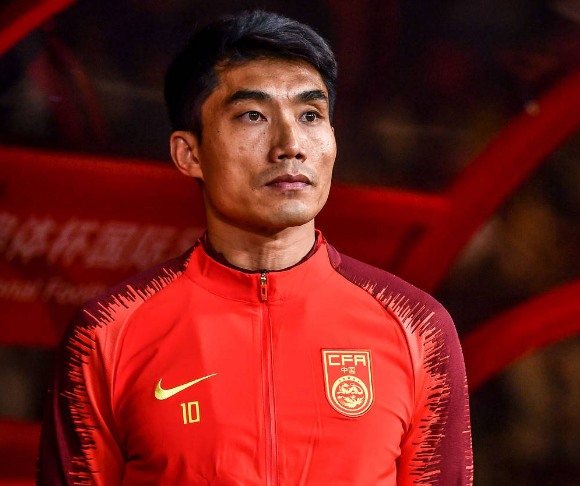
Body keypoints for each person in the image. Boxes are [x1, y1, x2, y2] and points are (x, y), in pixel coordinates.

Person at [37, 10, 473, 486]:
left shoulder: (416, 328)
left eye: (310, 115)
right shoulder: (107, 333)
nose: (291, 145)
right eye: (253, 116)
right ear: (189, 153)